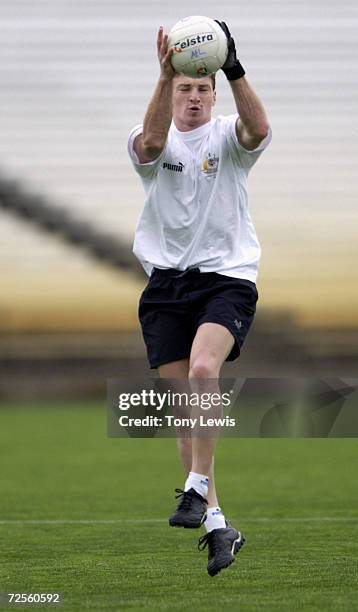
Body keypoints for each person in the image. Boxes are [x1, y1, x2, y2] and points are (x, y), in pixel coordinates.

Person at [127, 21, 271, 576]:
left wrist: (233, 67)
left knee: (204, 372)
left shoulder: (229, 137)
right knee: (186, 413)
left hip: (226, 277)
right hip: (166, 284)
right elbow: (153, 142)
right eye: (185, 88)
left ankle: (192, 486)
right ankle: (217, 524)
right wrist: (164, 75)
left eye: (201, 88)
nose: (193, 97)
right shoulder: (145, 137)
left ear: (214, 93)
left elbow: (259, 129)